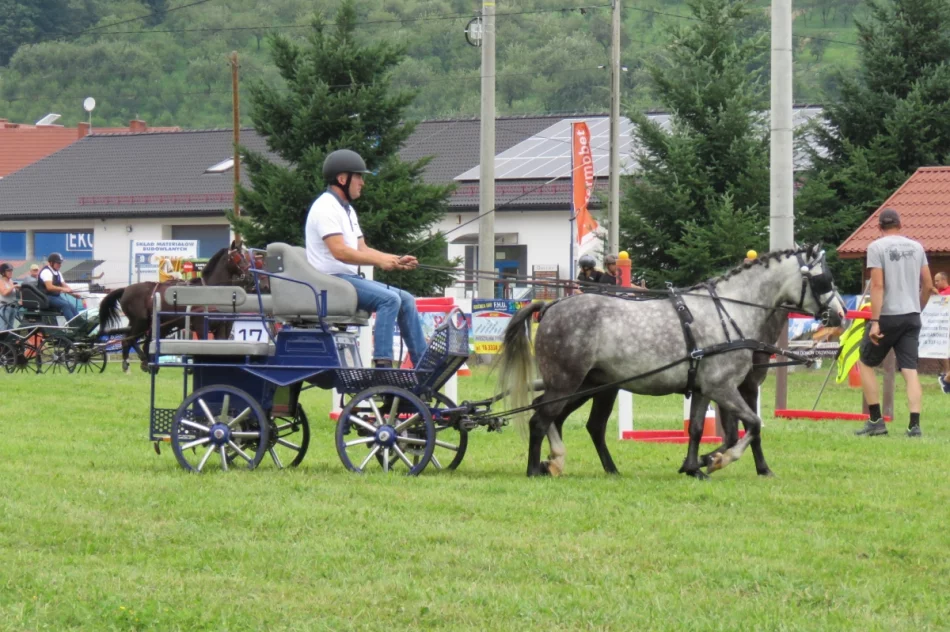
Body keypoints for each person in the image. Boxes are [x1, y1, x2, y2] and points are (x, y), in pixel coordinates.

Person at [305, 149, 427, 369]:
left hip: (345, 280)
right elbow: (339, 252)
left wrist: (396, 259)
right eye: (358, 176)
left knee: (406, 299)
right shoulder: (325, 207)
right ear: (343, 179)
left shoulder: (347, 210)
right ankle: (383, 365)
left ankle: (424, 365)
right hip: (331, 282)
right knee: (390, 300)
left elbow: (362, 247)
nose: (362, 182)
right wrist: (380, 262)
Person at [855, 208, 932, 438]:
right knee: (910, 370)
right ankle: (914, 425)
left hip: (888, 316)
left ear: (879, 227)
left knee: (865, 363)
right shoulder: (917, 247)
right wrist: (918, 307)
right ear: (900, 224)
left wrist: (876, 321)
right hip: (911, 314)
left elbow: (878, 286)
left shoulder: (876, 247)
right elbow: (927, 285)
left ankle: (876, 421)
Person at [37, 253, 82, 321]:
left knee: (71, 306)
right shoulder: (46, 272)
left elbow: (65, 286)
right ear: (51, 263)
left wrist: (74, 294)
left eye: (60, 263)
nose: (60, 265)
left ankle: (81, 325)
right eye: (58, 263)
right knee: (65, 305)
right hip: (46, 297)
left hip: (56, 297)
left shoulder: (58, 273)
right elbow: (49, 287)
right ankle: (73, 326)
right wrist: (63, 289)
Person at [931, 271, 950, 392]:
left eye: (937, 281)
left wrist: (936, 294)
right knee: (943, 351)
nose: (935, 283)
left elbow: (944, 302)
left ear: (944, 280)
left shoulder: (946, 292)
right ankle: (947, 375)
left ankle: (946, 378)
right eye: (934, 281)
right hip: (942, 328)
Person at [0, 263, 19, 330]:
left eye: (11, 271)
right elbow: (4, 293)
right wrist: (13, 286)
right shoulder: (1, 282)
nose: (11, 272)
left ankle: (8, 340)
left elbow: (12, 292)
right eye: (8, 271)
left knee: (10, 328)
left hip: (13, 307)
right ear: (3, 272)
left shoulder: (11, 281)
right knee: (3, 328)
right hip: (5, 307)